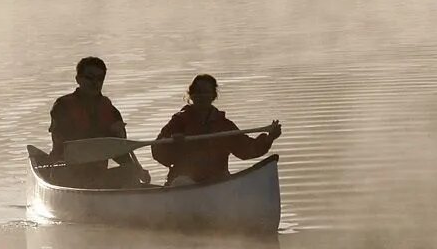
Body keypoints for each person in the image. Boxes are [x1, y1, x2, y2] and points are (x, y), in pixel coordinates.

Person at [150, 74, 280, 186]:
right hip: (184, 182)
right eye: (198, 92)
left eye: (206, 92)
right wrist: (172, 145)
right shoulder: (179, 121)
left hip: (218, 181)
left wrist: (269, 139)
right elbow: (158, 152)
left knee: (223, 181)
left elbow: (245, 149)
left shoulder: (223, 125)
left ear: (213, 96)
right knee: (181, 182)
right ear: (191, 95)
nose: (202, 96)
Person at [48, 56, 151, 188]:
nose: (95, 83)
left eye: (100, 78)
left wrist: (136, 168)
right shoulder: (62, 106)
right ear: (78, 79)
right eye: (89, 78)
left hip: (98, 174)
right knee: (68, 173)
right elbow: (65, 142)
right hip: (66, 171)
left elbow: (119, 150)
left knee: (130, 173)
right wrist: (107, 133)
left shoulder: (110, 110)